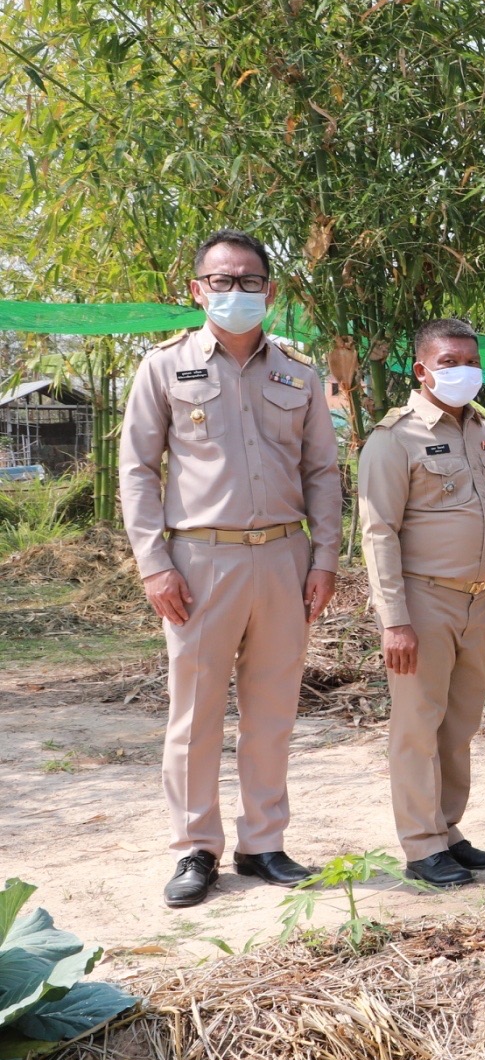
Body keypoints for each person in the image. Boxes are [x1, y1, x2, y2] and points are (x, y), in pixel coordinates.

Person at [118, 229, 342, 908]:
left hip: (282, 556)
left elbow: (323, 472)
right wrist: (155, 564)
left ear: (270, 292)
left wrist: (325, 557)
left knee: (272, 709)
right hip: (199, 559)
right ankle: (195, 846)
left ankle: (263, 842)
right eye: (221, 280)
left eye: (249, 281)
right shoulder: (164, 368)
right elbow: (137, 469)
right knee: (195, 711)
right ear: (197, 290)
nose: (235, 291)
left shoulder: (299, 374)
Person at [358, 318, 485, 888]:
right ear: (421, 369)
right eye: (448, 362)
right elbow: (378, 531)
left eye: (470, 361)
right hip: (423, 601)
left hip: (477, 604)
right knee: (417, 726)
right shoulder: (394, 438)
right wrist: (395, 622)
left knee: (459, 725)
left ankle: (447, 831)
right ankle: (422, 846)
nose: (462, 371)